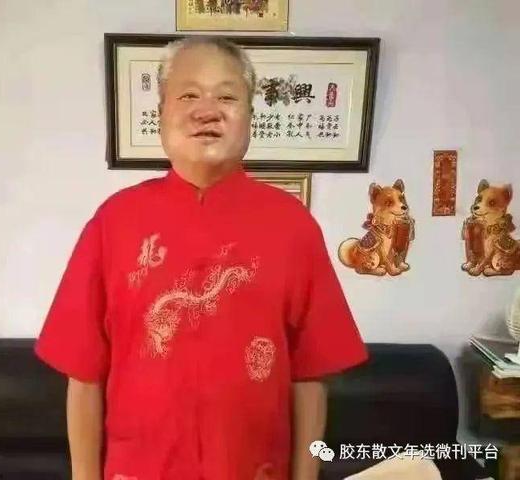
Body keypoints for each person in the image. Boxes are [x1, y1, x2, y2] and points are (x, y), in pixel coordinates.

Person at [35, 36, 368, 480]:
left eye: (227, 97)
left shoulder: (293, 226)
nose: (207, 110)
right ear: (161, 114)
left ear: (250, 117)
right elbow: (84, 375)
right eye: (189, 95)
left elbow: (309, 377)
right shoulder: (113, 222)